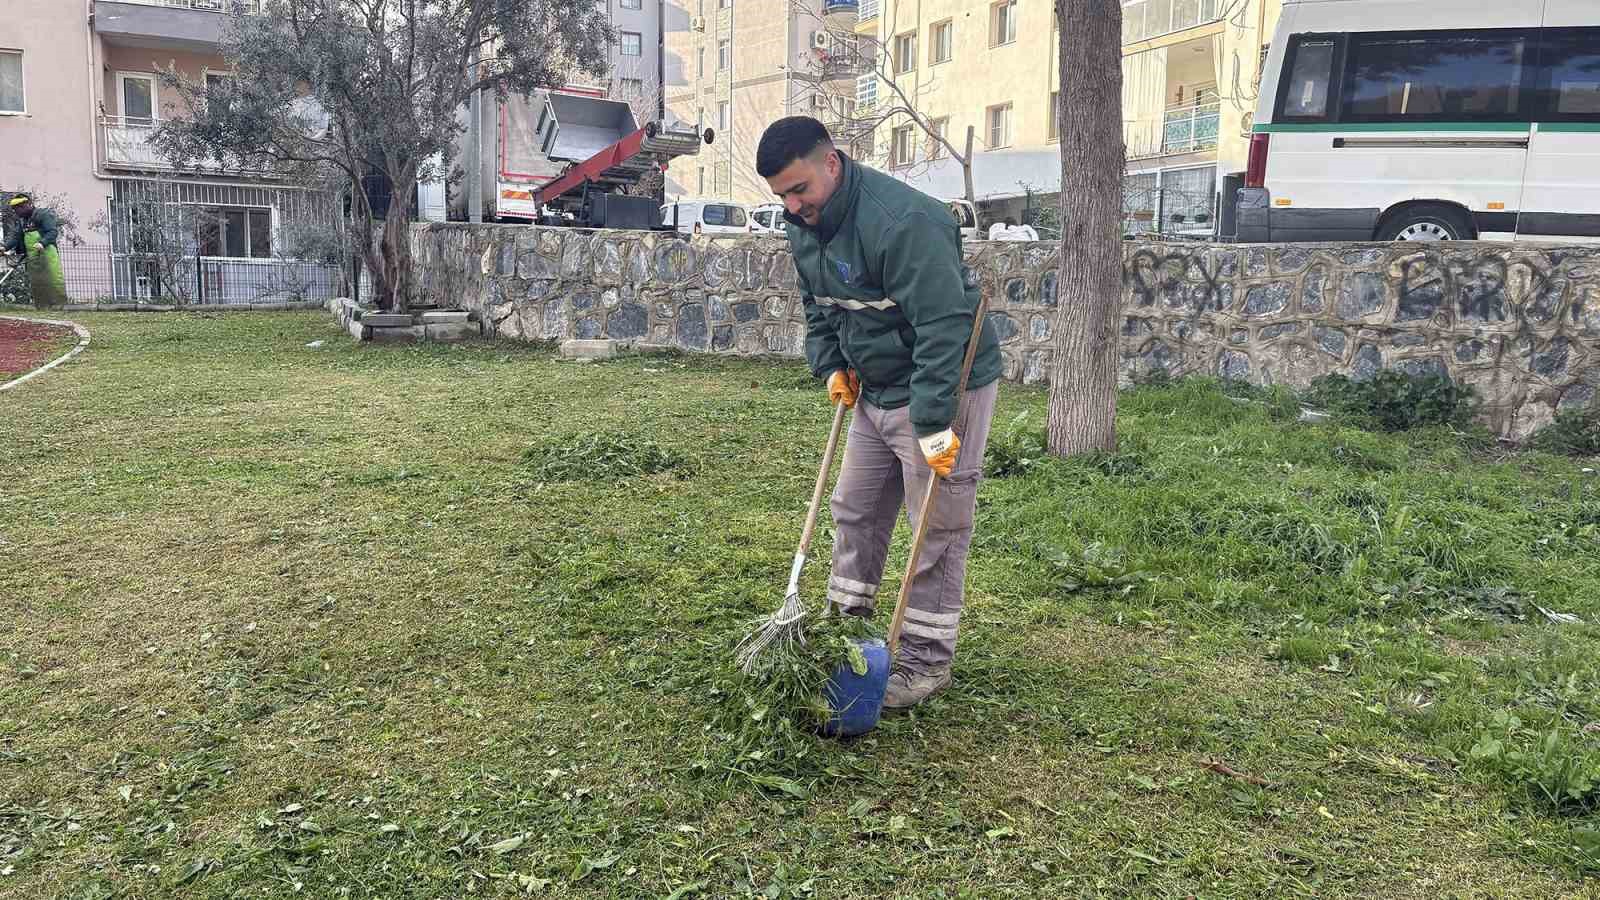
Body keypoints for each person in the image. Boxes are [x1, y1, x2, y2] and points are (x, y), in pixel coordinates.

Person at [755, 117, 1002, 709]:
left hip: (943, 387)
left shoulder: (905, 222)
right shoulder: (803, 225)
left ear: (832, 163)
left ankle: (921, 660)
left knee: (934, 527)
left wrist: (935, 422)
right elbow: (820, 305)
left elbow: (945, 330)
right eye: (781, 196)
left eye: (800, 189)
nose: (793, 206)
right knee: (855, 508)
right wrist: (832, 364)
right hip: (872, 386)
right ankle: (847, 630)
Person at [4, 194, 67, 308]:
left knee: (53, 279)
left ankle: (60, 306)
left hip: (47, 253)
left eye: (19, 208)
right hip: (32, 257)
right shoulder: (22, 221)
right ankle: (42, 307)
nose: (17, 211)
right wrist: (5, 247)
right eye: (15, 209)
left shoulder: (43, 215)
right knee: (37, 282)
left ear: (28, 204)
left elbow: (52, 232)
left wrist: (42, 243)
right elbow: (16, 237)